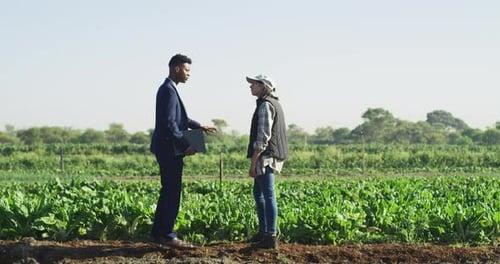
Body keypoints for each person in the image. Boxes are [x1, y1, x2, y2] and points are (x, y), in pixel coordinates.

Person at [150, 54, 216, 249]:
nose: (188, 74)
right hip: (169, 149)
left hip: (166, 148)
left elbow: (180, 119)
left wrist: (199, 126)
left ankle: (157, 234)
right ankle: (168, 235)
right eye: (187, 70)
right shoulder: (168, 91)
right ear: (177, 68)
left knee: (167, 191)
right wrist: (184, 145)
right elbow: (170, 124)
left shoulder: (168, 89)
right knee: (172, 192)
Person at [246, 74, 289, 249]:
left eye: (253, 84)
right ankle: (264, 232)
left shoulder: (265, 105)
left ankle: (270, 236)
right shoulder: (274, 103)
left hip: (266, 157)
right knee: (259, 193)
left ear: (263, 86)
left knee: (268, 194)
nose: (250, 87)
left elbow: (263, 137)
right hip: (269, 155)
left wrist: (253, 162)